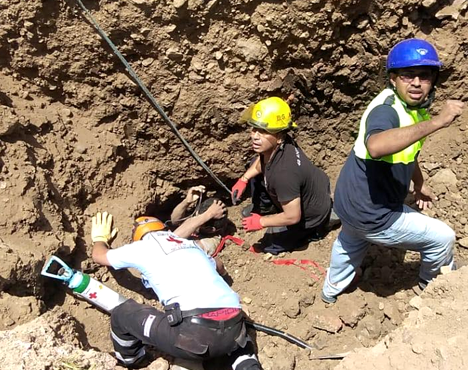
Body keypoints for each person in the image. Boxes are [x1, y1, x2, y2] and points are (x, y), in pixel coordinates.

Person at [321, 38, 464, 304]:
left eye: (425, 76)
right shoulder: (386, 111)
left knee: (350, 241)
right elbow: (376, 146)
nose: (417, 83)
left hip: (348, 203)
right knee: (443, 238)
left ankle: (330, 290)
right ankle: (433, 287)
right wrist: (439, 122)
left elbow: (409, 153)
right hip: (373, 213)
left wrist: (418, 184)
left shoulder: (411, 110)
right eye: (408, 75)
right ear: (393, 79)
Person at [90, 211, 261, 369]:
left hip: (195, 337)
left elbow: (99, 256)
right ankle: (245, 360)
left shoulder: (141, 247)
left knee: (122, 314)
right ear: (164, 229)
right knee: (235, 347)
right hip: (235, 328)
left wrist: (100, 239)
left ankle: (132, 360)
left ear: (137, 237)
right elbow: (220, 266)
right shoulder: (190, 244)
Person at [230, 97, 333, 254]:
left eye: (264, 131)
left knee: (269, 244)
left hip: (310, 217)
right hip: (313, 189)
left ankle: (315, 232)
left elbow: (293, 217)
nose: (255, 136)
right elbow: (261, 161)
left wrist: (261, 222)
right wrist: (243, 179)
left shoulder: (284, 174)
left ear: (279, 137)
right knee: (253, 163)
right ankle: (266, 209)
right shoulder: (282, 143)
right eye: (254, 129)